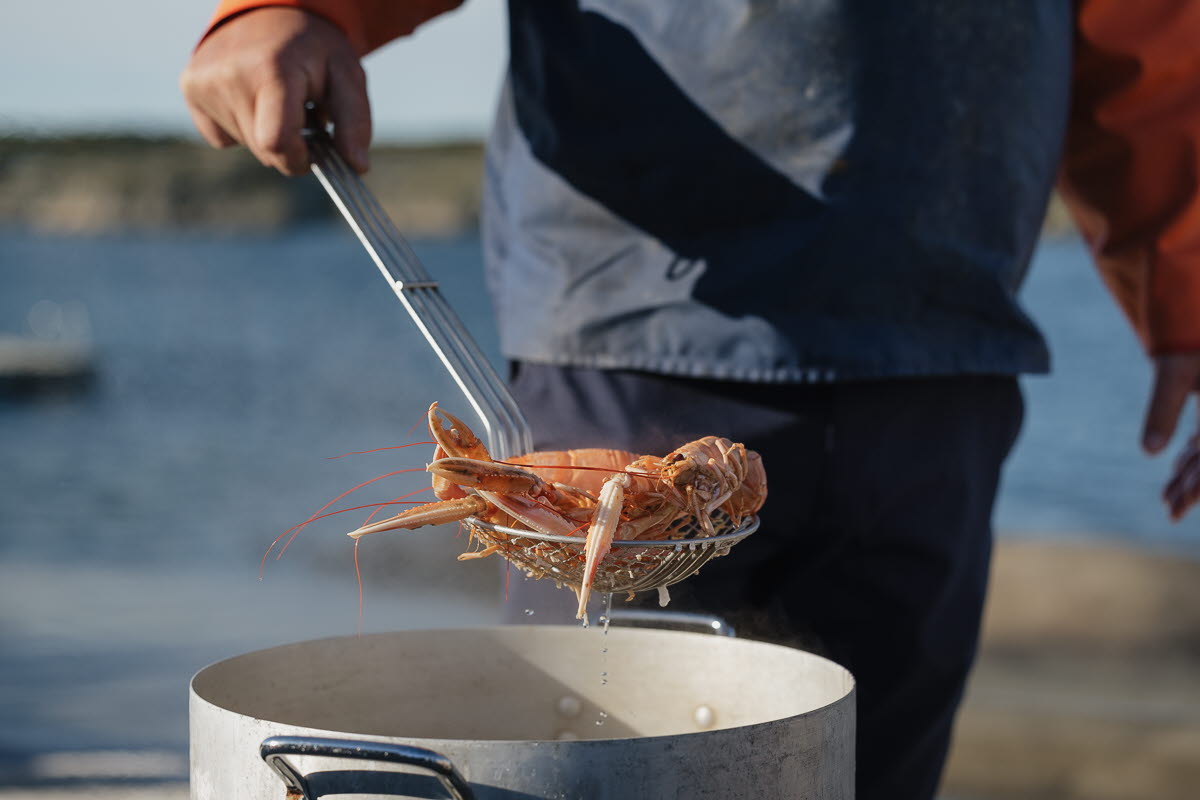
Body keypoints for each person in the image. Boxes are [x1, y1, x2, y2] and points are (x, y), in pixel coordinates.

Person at [181, 2, 1200, 797]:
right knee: (574, 771)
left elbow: (1144, 42)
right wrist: (290, 3)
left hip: (940, 359)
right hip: (625, 335)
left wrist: (1188, 289)